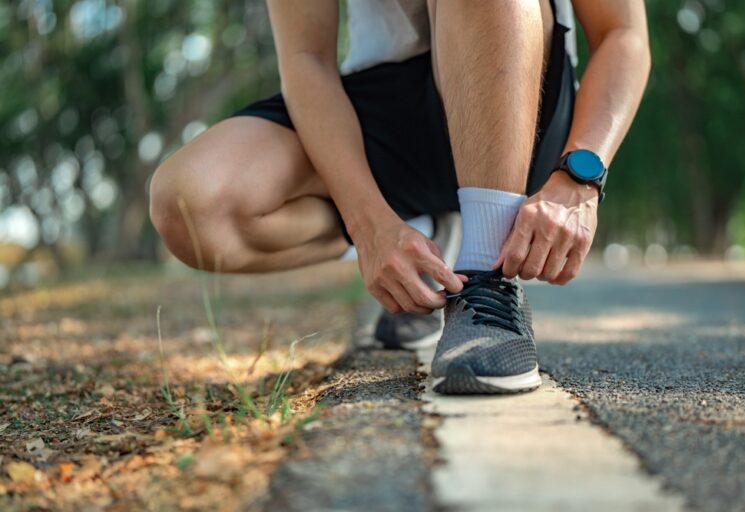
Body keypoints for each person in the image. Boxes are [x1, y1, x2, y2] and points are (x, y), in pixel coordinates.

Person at [149, 0, 650, 394]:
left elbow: (622, 33)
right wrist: (371, 226)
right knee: (191, 207)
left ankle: (485, 284)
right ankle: (431, 234)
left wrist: (581, 177)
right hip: (384, 100)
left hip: (522, 91)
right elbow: (305, 60)